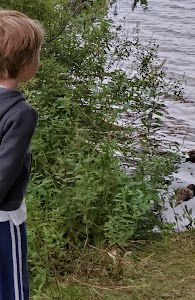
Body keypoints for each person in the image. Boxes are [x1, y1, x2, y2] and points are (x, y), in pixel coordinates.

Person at [0, 10, 45, 300]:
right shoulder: (21, 113)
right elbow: (4, 172)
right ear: (27, 64)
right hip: (5, 219)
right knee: (12, 287)